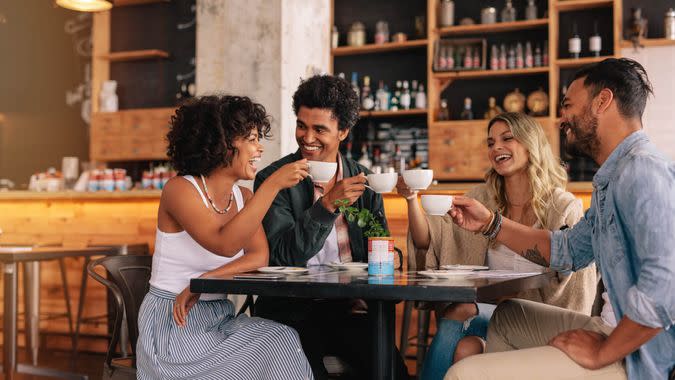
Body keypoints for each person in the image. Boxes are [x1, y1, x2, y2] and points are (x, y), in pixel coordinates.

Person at [445, 58, 674, 380]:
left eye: (568, 105)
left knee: (462, 373)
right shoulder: (615, 177)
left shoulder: (642, 171)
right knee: (510, 316)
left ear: (602, 101)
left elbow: (665, 286)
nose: (562, 118)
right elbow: (568, 251)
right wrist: (490, 224)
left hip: (638, 353)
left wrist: (602, 352)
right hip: (613, 325)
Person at [397, 112, 598, 380]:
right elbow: (430, 241)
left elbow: (575, 287)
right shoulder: (481, 198)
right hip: (493, 314)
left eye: (507, 138)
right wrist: (411, 199)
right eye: (490, 142)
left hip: (541, 320)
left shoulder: (562, 206)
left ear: (530, 144)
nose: (496, 148)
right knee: (461, 313)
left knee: (467, 343)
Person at [136, 95, 314, 379]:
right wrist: (272, 186)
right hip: (174, 323)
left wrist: (202, 284)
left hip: (219, 316)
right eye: (252, 139)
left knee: (282, 339)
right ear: (223, 143)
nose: (259, 148)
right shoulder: (180, 189)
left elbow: (259, 256)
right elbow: (225, 244)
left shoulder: (243, 197)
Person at [253, 75, 409, 379]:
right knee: (307, 374)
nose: (307, 137)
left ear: (343, 132)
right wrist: (325, 207)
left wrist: (389, 263)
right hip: (291, 311)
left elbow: (380, 243)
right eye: (302, 125)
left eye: (319, 129)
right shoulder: (275, 179)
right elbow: (282, 257)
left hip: (349, 309)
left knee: (393, 373)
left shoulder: (363, 180)